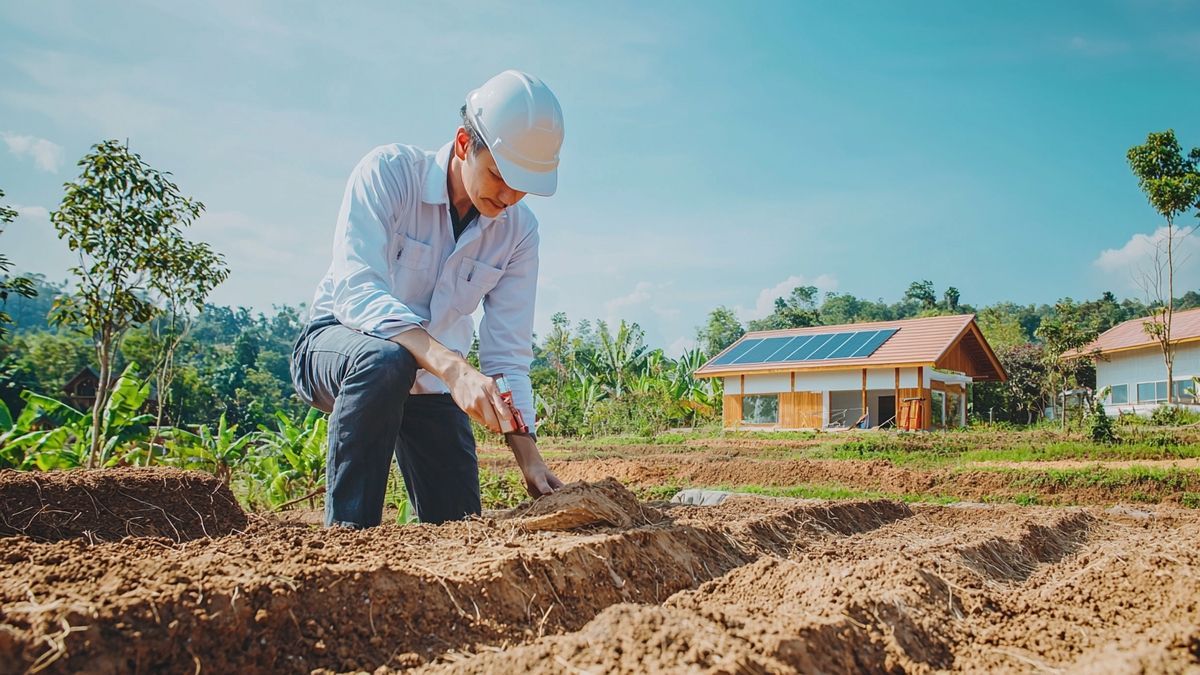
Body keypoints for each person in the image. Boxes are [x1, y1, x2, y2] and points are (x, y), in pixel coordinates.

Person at [291, 70, 565, 528]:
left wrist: (529, 456)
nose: (509, 196)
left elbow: (507, 355)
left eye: (522, 187)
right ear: (463, 143)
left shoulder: (519, 233)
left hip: (433, 382)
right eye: (499, 176)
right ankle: (347, 541)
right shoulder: (389, 174)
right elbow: (357, 291)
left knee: (457, 525)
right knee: (387, 360)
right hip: (342, 349)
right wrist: (454, 368)